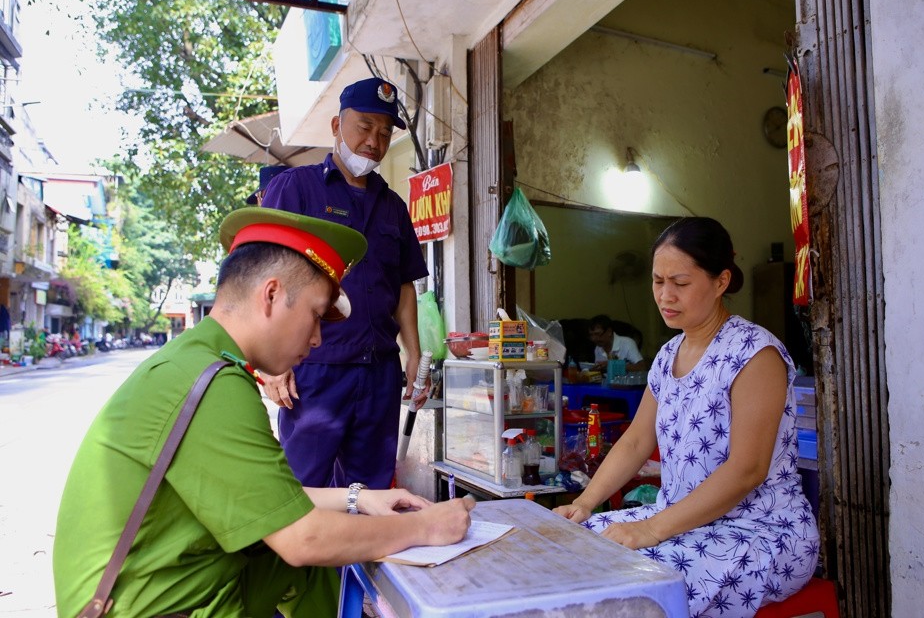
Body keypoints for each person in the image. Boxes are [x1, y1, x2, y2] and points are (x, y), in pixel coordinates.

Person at [53, 207, 473, 618]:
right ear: (271, 295)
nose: (316, 339)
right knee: (310, 552)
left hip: (165, 588)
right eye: (314, 316)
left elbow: (267, 501)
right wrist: (426, 527)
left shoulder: (197, 359)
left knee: (312, 561)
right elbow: (302, 537)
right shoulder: (212, 384)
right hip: (152, 607)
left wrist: (358, 497)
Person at [555, 217, 819, 618]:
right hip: (680, 521)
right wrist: (586, 503)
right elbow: (635, 441)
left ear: (720, 282)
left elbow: (747, 469)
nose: (665, 295)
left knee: (639, 588)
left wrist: (649, 530)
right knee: (575, 548)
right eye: (658, 282)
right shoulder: (666, 356)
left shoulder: (755, 354)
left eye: (680, 283)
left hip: (758, 532)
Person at [259, 77, 428, 490]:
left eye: (385, 132)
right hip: (315, 372)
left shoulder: (393, 207)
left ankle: (359, 557)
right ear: (336, 126)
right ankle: (305, 558)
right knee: (304, 491)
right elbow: (265, 276)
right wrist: (272, 365)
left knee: (370, 494)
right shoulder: (296, 189)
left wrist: (414, 353)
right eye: (364, 126)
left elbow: (404, 286)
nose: (374, 139)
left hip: (379, 375)